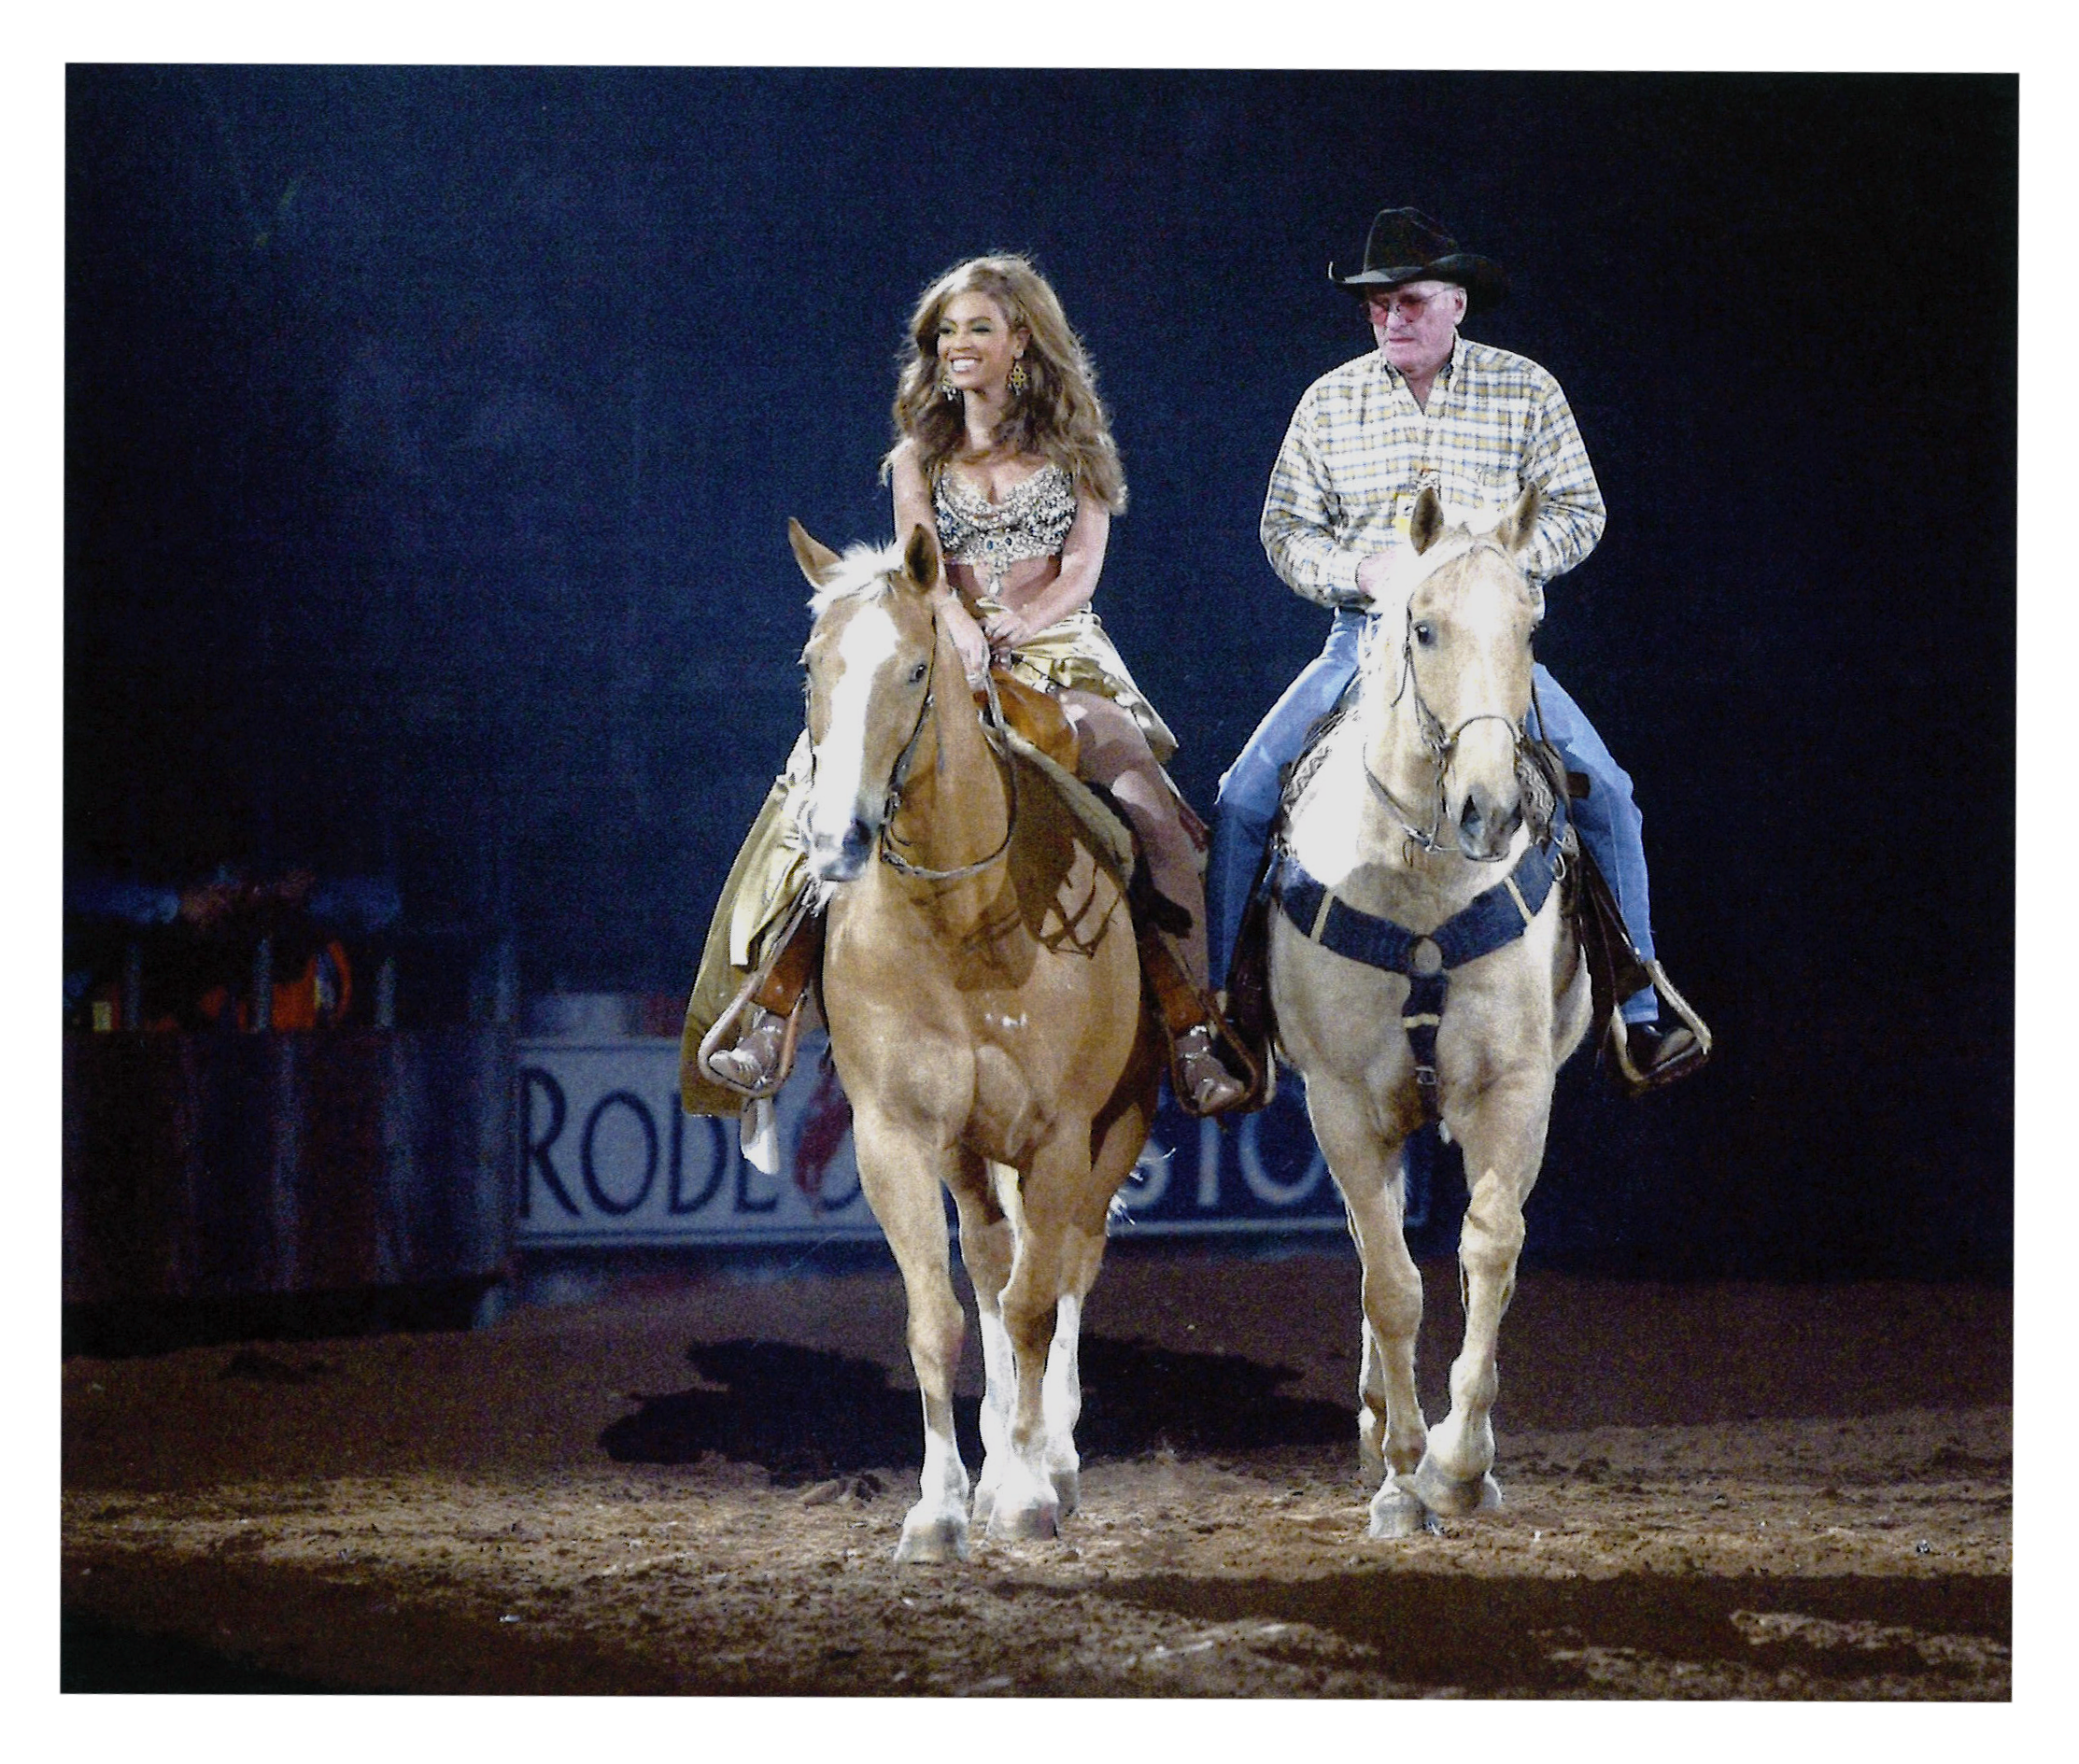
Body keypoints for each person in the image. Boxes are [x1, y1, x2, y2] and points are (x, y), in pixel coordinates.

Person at [687, 254, 1245, 1115]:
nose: (957, 345)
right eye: (946, 331)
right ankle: (773, 1008)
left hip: (1061, 654)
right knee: (822, 788)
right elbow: (925, 571)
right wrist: (962, 631)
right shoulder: (919, 456)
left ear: (1021, 340)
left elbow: (1084, 569)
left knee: (1152, 812)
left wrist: (1022, 623)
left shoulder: (1079, 448)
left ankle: (1193, 1027)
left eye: (977, 328)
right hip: (944, 651)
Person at [1206, 206, 1699, 1088]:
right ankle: (1231, 1021)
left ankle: (1639, 1007)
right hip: (1363, 641)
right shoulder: (1329, 402)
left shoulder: (1526, 391)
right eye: (1377, 305)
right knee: (1243, 798)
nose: (1390, 317)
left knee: (1611, 796)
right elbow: (1283, 531)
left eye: (1409, 300)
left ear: (1457, 303)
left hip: (1484, 648)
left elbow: (1581, 510)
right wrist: (1359, 571)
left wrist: (1497, 572)